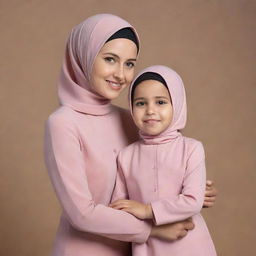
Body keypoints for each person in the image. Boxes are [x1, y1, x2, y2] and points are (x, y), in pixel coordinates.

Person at [44, 14, 217, 256]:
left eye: (129, 63)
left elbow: (157, 169)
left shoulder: (132, 117)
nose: (121, 74)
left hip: (137, 250)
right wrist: (151, 230)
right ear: (83, 56)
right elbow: (81, 213)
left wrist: (193, 190)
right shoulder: (63, 124)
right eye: (110, 59)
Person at [110, 65, 217, 255]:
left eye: (160, 102)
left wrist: (146, 210)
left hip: (189, 243)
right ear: (131, 107)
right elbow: (118, 210)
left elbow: (193, 200)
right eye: (141, 103)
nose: (150, 110)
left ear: (176, 103)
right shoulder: (126, 156)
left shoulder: (191, 149)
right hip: (147, 246)